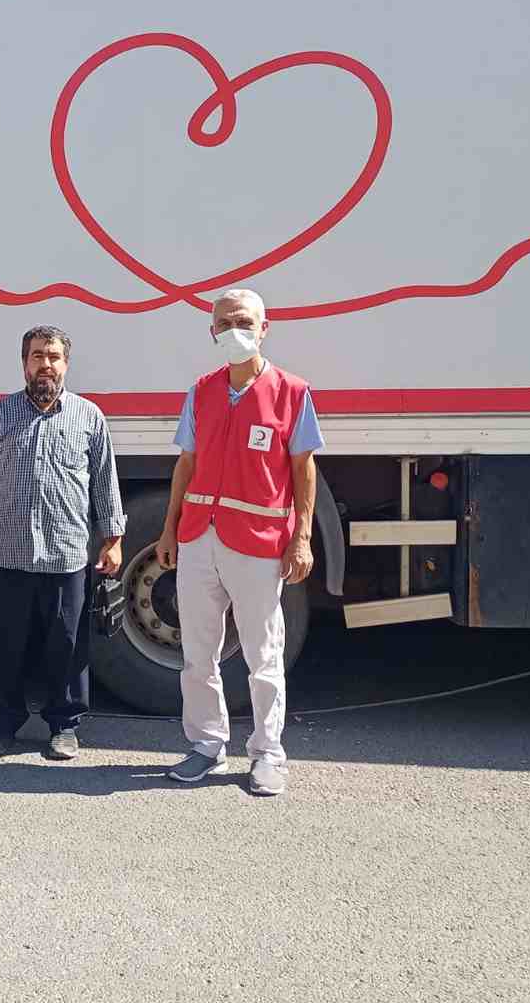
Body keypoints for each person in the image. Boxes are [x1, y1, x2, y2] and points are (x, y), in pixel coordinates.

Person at [154, 289, 323, 796]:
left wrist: (302, 538)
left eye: (244, 321)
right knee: (197, 652)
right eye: (224, 323)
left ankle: (268, 753)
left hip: (258, 543)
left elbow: (304, 469)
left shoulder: (292, 392)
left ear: (264, 328)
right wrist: (169, 529)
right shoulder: (202, 391)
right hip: (198, 538)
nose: (234, 331)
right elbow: (186, 464)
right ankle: (206, 745)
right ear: (212, 332)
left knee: (263, 654)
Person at [0, 326, 126, 760]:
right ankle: (1, 725)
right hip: (7, 555)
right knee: (3, 647)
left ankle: (64, 726)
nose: (45, 364)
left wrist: (113, 540)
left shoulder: (88, 417)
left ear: (65, 363)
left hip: (66, 556)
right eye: (36, 356)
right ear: (24, 364)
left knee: (67, 645)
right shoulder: (0, 415)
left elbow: (105, 483)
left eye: (53, 356)